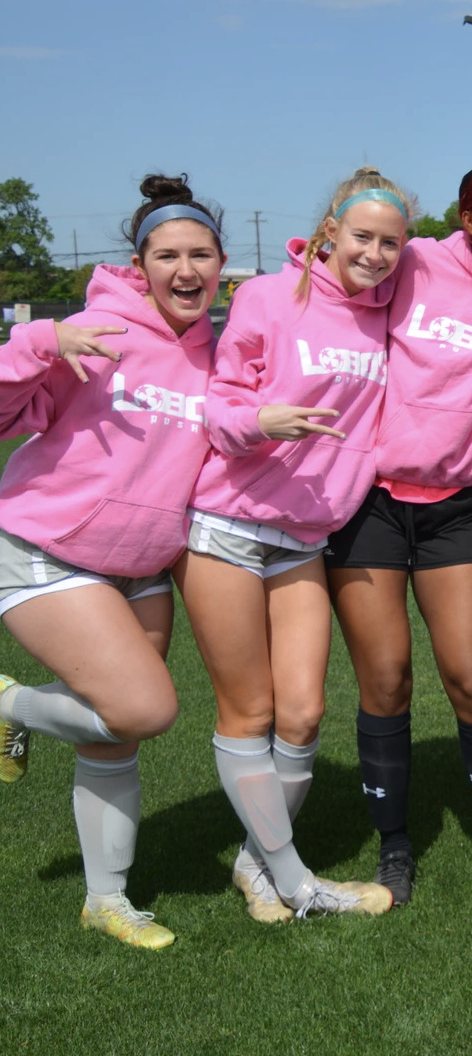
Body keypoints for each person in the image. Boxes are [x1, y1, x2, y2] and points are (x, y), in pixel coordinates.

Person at [177, 168, 407, 920]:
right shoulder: (269, 297)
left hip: (305, 537)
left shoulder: (385, 314)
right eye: (362, 237)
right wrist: (261, 423)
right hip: (230, 525)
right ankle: (299, 883)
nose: (375, 254)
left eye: (391, 242)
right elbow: (219, 406)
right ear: (330, 231)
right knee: (249, 713)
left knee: (304, 714)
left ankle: (255, 863)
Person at [0, 175, 222, 948]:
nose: (186, 270)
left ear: (221, 263)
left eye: (201, 254)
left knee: (112, 736)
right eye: (169, 256)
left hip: (142, 568)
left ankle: (107, 900)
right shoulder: (97, 329)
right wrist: (38, 343)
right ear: (141, 263)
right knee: (145, 709)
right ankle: (10, 706)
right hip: (46, 550)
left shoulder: (218, 352)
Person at [327, 161, 472, 905]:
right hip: (370, 503)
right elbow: (343, 270)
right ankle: (395, 848)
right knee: (385, 679)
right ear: (466, 218)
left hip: (457, 505)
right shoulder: (416, 261)